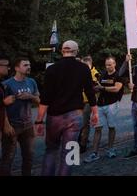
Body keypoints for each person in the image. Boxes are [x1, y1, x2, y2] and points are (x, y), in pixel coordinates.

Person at [36, 40, 98, 176]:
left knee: (50, 150)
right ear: (76, 51)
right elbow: (90, 92)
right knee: (71, 150)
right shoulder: (83, 68)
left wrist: (39, 120)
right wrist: (95, 112)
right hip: (75, 115)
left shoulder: (51, 69)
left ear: (62, 51)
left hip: (54, 116)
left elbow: (45, 97)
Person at [0, 58, 40, 176]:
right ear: (17, 68)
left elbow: (39, 101)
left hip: (28, 125)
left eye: (29, 64)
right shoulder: (6, 84)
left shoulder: (32, 82)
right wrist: (6, 124)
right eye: (25, 65)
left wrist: (30, 96)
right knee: (8, 158)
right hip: (12, 125)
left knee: (29, 157)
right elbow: (2, 108)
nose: (29, 67)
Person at [84, 57, 124, 162]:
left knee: (111, 127)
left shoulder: (118, 76)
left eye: (110, 64)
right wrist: (95, 88)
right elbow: (99, 88)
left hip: (112, 104)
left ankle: (110, 149)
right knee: (97, 128)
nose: (108, 67)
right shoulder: (102, 75)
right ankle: (94, 152)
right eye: (106, 65)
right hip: (100, 104)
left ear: (114, 64)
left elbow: (116, 88)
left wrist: (103, 88)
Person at [79, 55, 100, 153]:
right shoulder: (80, 73)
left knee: (84, 123)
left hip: (88, 102)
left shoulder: (95, 73)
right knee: (78, 123)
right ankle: (81, 140)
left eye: (85, 65)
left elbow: (95, 87)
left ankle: (82, 144)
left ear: (90, 64)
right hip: (78, 101)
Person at [0, 55, 14, 154]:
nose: (8, 68)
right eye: (6, 65)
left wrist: (5, 123)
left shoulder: (1, 84)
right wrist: (3, 102)